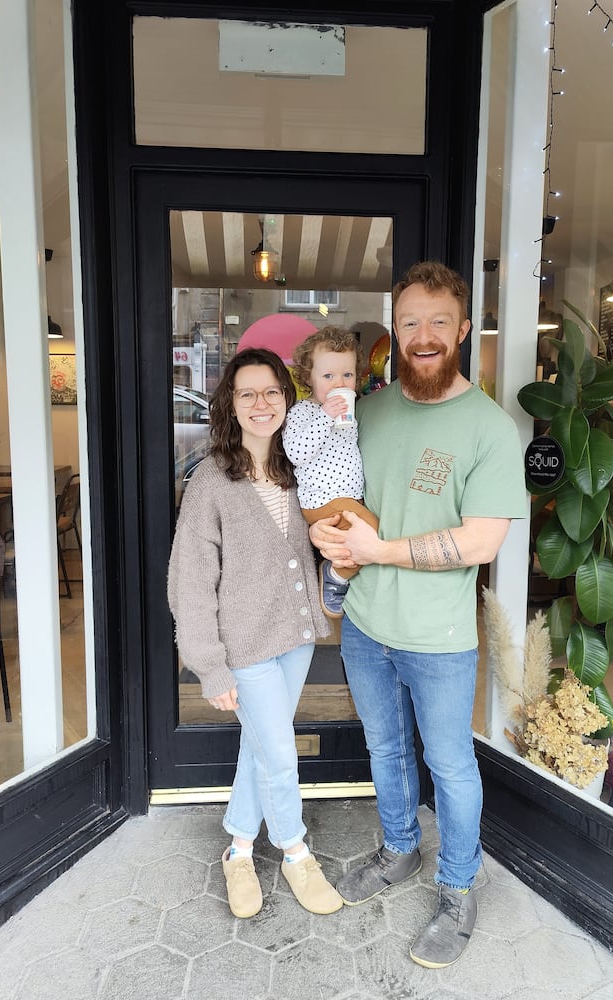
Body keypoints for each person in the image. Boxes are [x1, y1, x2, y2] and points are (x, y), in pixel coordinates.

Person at [310, 261, 528, 969]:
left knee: (452, 766)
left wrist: (381, 548)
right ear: (394, 333)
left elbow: (483, 539)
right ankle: (400, 849)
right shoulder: (365, 410)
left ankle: (459, 887)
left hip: (438, 639)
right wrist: (326, 532)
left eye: (439, 321)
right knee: (385, 750)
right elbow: (335, 495)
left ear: (463, 329)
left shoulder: (489, 428)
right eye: (410, 322)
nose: (424, 335)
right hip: (366, 627)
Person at [167, 347, 343, 920]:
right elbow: (189, 580)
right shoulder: (212, 481)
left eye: (272, 392)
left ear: (287, 400)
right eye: (247, 393)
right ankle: (295, 851)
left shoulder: (301, 468)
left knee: (261, 745)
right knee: (281, 751)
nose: (261, 403)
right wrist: (208, 665)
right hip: (242, 645)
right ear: (231, 405)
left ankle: (239, 847)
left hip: (293, 637)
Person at [283, 326, 379, 618]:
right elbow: (296, 453)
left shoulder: (355, 410)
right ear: (308, 378)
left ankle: (338, 569)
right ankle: (336, 576)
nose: (339, 383)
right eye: (328, 376)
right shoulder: (302, 411)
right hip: (323, 501)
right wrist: (325, 416)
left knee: (359, 544)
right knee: (375, 534)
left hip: (348, 500)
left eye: (347, 375)